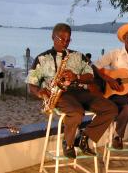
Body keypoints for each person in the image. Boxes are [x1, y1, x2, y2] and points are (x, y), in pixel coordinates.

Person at [26, 23, 118, 159]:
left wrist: (77, 77)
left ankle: (84, 138)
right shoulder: (41, 58)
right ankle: (68, 143)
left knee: (111, 108)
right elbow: (31, 84)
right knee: (76, 112)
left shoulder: (78, 56)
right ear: (53, 37)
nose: (65, 43)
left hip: (79, 91)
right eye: (61, 39)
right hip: (58, 94)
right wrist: (41, 93)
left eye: (68, 40)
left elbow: (91, 76)